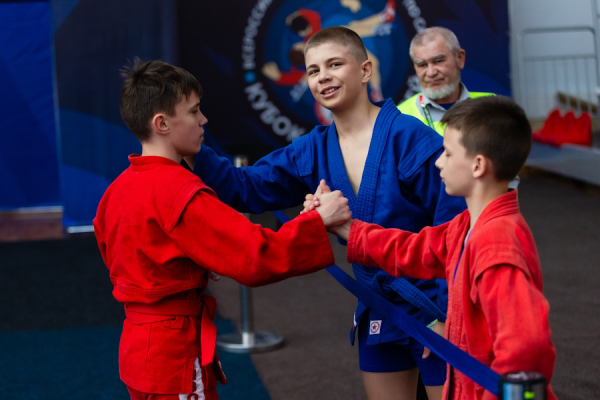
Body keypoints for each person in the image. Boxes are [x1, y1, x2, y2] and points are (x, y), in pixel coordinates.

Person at [192, 27, 466, 400]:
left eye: (335, 64)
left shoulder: (411, 138)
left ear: (365, 70)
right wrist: (191, 145)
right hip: (378, 306)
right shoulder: (313, 149)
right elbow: (246, 187)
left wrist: (452, 315)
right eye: (313, 70)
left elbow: (457, 231)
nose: (323, 77)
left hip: (432, 306)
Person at [92, 59, 351, 400]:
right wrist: (318, 221)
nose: (203, 120)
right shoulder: (179, 190)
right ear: (162, 123)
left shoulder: (116, 190)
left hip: (138, 349)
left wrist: (191, 264)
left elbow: (127, 255)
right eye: (194, 111)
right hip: (173, 354)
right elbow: (255, 254)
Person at [317, 96, 557, 400]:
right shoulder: (466, 227)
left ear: (478, 165)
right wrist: (345, 228)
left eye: (447, 153)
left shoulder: (496, 245)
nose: (439, 161)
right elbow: (412, 249)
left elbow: (527, 347)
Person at [397, 27, 494, 135]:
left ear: (460, 58)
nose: (431, 72)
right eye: (422, 65)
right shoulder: (398, 117)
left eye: (438, 61)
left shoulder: (494, 108)